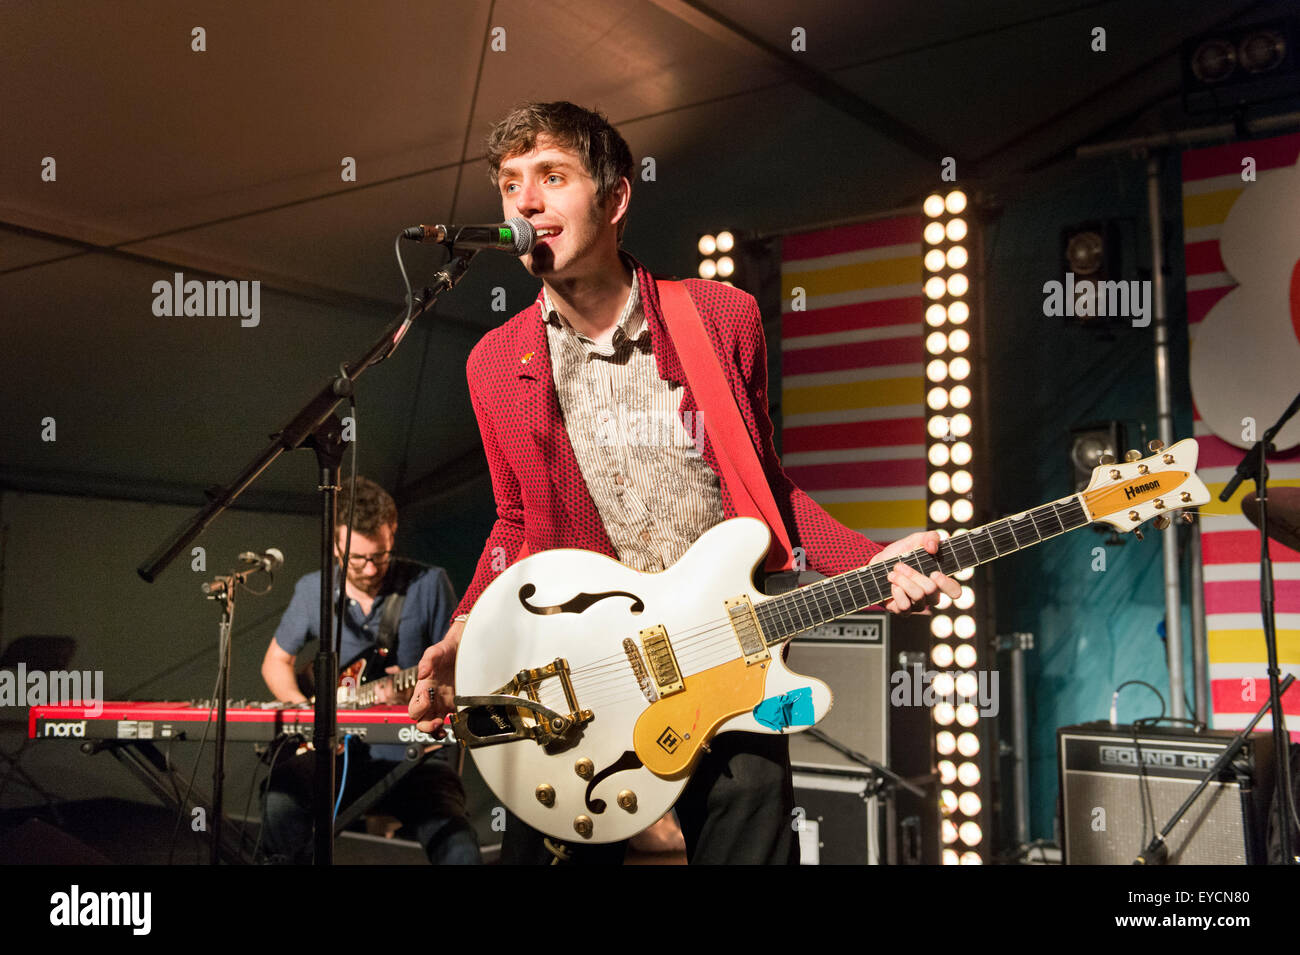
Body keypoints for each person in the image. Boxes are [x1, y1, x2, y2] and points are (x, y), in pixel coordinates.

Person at [409, 101, 960, 864]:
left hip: (723, 659)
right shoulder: (496, 362)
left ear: (616, 197)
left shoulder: (719, 316)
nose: (525, 202)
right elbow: (513, 520)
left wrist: (870, 558)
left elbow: (763, 488)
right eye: (510, 184)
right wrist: (466, 626)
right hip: (580, 674)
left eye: (552, 176)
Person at [260, 476, 479, 865]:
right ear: (335, 546)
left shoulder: (429, 583)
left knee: (457, 843)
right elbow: (275, 662)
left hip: (411, 754)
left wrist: (421, 690)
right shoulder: (314, 589)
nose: (370, 567)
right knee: (278, 804)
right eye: (357, 557)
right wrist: (309, 713)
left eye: (380, 554)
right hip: (335, 753)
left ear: (391, 535)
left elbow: (460, 666)